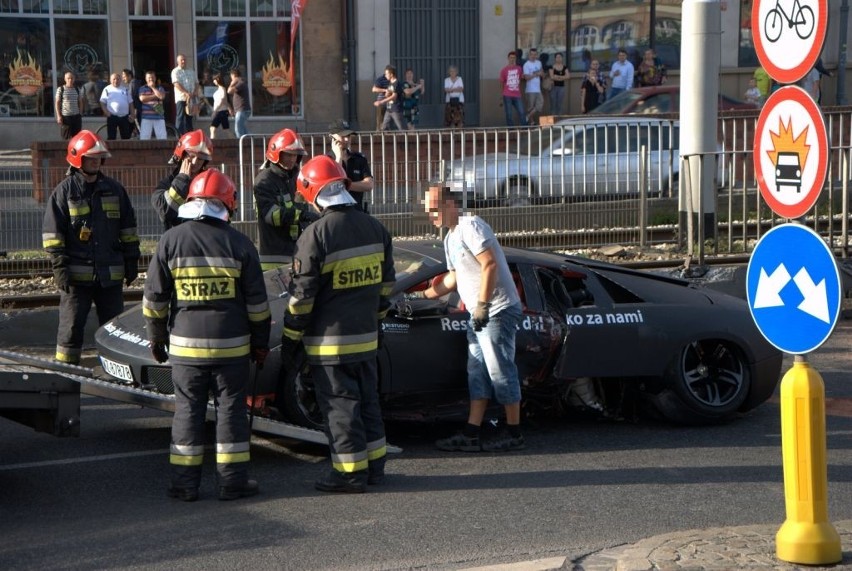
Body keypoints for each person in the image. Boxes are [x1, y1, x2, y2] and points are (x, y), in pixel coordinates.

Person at [143, 168, 270, 502]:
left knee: (187, 411)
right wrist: (260, 345)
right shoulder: (241, 244)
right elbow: (258, 305)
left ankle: (185, 484)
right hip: (232, 348)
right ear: (228, 203)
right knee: (230, 412)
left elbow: (154, 300)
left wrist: (156, 339)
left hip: (186, 350)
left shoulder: (170, 241)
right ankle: (233, 483)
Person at [280, 155, 395, 493]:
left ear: (313, 193)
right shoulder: (376, 227)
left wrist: (290, 339)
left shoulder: (316, 235)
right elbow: (386, 288)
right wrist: (376, 322)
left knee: (340, 407)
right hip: (367, 338)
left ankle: (349, 473)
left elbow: (301, 299)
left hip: (330, 345)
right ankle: (375, 469)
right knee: (368, 404)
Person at [414, 185, 525, 452]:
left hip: (496, 309)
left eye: (434, 209)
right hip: (479, 313)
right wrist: (423, 296)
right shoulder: (450, 238)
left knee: (500, 370)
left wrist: (483, 305)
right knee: (477, 372)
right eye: (427, 211)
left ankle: (514, 433)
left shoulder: (470, 224)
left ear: (451, 204)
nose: (431, 216)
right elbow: (454, 278)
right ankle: (471, 433)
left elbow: (489, 264)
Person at [42, 130, 140, 365]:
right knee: (71, 328)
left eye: (98, 158)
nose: (96, 162)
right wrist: (60, 268)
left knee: (115, 329)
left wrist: (131, 260)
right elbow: (53, 236)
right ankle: (66, 371)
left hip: (109, 276)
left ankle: (116, 370)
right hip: (76, 278)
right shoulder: (64, 193)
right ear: (78, 159)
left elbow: (128, 229)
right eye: (91, 158)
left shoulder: (114, 190)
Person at [253, 128, 310, 270]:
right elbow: (272, 216)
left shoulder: (297, 178)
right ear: (276, 154)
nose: (292, 159)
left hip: (296, 253)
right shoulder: (264, 181)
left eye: (296, 155)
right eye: (288, 155)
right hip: (272, 256)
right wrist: (302, 214)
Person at [151, 129, 213, 230]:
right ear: (181, 156)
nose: (195, 162)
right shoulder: (165, 185)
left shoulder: (210, 184)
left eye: (201, 158)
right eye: (192, 156)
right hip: (178, 241)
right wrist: (181, 181)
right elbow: (165, 212)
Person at [328, 120, 375, 213]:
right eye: (343, 136)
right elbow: (333, 187)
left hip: (357, 212)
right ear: (332, 137)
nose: (346, 140)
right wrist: (339, 157)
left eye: (348, 136)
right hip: (336, 213)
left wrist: (346, 185)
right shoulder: (326, 160)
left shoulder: (359, 159)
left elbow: (369, 185)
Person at [99, 72, 135, 140]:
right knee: (111, 137)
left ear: (120, 80)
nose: (116, 81)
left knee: (126, 137)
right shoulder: (107, 89)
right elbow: (102, 102)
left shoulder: (125, 89)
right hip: (112, 117)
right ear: (110, 80)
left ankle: (125, 150)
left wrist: (132, 114)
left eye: (118, 79)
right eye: (114, 79)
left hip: (124, 117)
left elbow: (131, 103)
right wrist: (106, 112)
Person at [171, 54, 197, 135]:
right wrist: (186, 93)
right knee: (180, 117)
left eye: (184, 60)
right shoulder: (175, 71)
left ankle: (190, 136)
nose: (183, 61)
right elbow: (176, 84)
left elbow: (197, 83)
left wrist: (194, 92)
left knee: (189, 118)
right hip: (181, 98)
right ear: (177, 61)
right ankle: (179, 136)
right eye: (181, 60)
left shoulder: (191, 71)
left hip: (191, 98)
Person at [138, 71, 168, 140]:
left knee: (162, 138)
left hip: (159, 116)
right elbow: (142, 98)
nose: (151, 79)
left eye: (152, 77)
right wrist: (155, 96)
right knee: (144, 138)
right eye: (149, 78)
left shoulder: (160, 88)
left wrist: (153, 88)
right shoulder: (142, 88)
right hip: (146, 117)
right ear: (146, 79)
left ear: (155, 78)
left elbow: (161, 97)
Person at [55, 71, 84, 140]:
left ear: (74, 79)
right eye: (68, 78)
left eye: (71, 78)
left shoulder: (77, 89)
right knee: (66, 137)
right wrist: (59, 116)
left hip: (76, 116)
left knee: (77, 138)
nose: (70, 80)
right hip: (66, 117)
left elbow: (80, 102)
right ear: (65, 79)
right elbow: (57, 102)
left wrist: (80, 113)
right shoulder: (61, 89)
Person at [499, 51, 526, 127]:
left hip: (517, 94)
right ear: (508, 58)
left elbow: (522, 77)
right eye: (511, 58)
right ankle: (511, 129)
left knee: (521, 111)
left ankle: (524, 127)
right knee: (509, 113)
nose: (512, 59)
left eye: (514, 58)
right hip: (507, 94)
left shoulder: (519, 68)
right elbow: (501, 83)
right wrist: (501, 95)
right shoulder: (504, 70)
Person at [376, 65, 405, 131]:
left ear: (391, 74)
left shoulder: (397, 83)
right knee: (383, 128)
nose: (385, 75)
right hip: (389, 109)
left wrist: (381, 102)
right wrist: (387, 93)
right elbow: (388, 95)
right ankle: (384, 140)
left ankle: (406, 140)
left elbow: (394, 97)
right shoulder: (390, 83)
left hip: (396, 110)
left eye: (386, 74)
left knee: (401, 128)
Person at [522, 48, 545, 125]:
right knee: (530, 107)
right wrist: (536, 74)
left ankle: (528, 116)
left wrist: (541, 74)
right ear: (529, 55)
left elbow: (542, 73)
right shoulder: (526, 65)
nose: (533, 56)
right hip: (530, 89)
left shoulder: (539, 63)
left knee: (540, 104)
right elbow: (526, 78)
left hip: (538, 89)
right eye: (532, 54)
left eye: (535, 54)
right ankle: (531, 122)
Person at [228, 68, 251, 138]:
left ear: (233, 75)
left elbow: (229, 91)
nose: (231, 79)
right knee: (243, 129)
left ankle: (241, 145)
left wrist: (232, 83)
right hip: (241, 110)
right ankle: (250, 142)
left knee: (238, 129)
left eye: (231, 77)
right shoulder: (241, 82)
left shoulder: (240, 83)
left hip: (242, 110)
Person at [208, 73, 232, 139]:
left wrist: (215, 111)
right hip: (221, 111)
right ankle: (234, 140)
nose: (213, 81)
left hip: (221, 111)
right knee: (226, 129)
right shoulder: (219, 89)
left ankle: (212, 143)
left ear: (218, 79)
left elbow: (222, 100)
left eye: (214, 80)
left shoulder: (222, 89)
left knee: (212, 128)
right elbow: (226, 101)